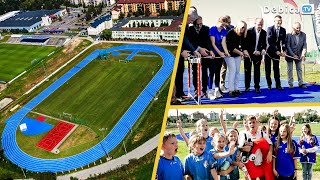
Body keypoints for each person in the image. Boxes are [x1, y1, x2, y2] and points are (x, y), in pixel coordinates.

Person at [175, 6, 199, 100]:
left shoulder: (186, 25)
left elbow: (186, 40)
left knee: (180, 71)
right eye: (191, 20)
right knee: (177, 73)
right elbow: (181, 39)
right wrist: (181, 51)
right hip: (177, 53)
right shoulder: (180, 24)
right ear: (187, 16)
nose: (192, 22)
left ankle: (180, 94)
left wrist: (193, 50)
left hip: (181, 53)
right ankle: (176, 96)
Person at [238, 115, 274, 180]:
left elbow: (270, 144)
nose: (252, 124)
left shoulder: (262, 134)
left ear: (256, 123)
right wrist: (246, 148)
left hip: (260, 162)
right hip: (250, 164)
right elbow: (240, 148)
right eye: (250, 123)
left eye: (254, 122)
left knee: (263, 178)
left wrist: (270, 152)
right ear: (247, 125)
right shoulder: (245, 135)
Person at [188, 16, 215, 98]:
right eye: (197, 24)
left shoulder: (206, 28)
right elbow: (190, 42)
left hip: (205, 53)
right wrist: (198, 49)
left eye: (201, 24)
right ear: (194, 23)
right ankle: (196, 90)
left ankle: (204, 90)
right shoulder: (190, 29)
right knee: (195, 72)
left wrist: (210, 50)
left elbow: (208, 41)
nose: (199, 26)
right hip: (195, 53)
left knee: (204, 72)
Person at [225, 21, 249, 97]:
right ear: (238, 26)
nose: (243, 30)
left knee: (237, 72)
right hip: (229, 55)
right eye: (242, 28)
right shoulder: (231, 33)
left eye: (244, 28)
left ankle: (236, 88)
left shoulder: (243, 35)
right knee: (233, 71)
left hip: (237, 55)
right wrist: (240, 53)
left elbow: (244, 45)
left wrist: (245, 52)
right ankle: (231, 90)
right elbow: (230, 47)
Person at [244, 18, 267, 93]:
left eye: (261, 24)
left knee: (257, 71)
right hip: (249, 54)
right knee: (247, 71)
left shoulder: (264, 33)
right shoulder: (249, 31)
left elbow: (264, 44)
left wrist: (263, 49)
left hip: (258, 55)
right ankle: (247, 86)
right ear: (255, 23)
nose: (260, 25)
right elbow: (247, 44)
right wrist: (253, 51)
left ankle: (257, 86)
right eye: (259, 24)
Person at [209, 16, 228, 99]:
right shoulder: (213, 29)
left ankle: (217, 89)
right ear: (218, 21)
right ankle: (209, 90)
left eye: (224, 24)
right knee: (212, 72)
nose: (222, 25)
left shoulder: (224, 31)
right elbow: (213, 43)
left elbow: (223, 43)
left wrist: (226, 52)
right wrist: (220, 53)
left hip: (220, 54)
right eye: (221, 23)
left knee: (218, 72)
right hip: (213, 53)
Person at [266, 15, 286, 90]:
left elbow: (283, 42)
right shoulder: (270, 29)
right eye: (277, 20)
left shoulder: (283, 30)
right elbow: (269, 41)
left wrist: (284, 50)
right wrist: (276, 50)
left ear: (281, 21)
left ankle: (278, 85)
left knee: (276, 69)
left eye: (280, 20)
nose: (278, 22)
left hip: (277, 53)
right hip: (269, 51)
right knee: (268, 69)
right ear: (274, 21)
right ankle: (269, 85)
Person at [285, 22, 307, 89]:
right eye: (297, 28)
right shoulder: (289, 35)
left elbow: (304, 45)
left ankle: (300, 83)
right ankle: (290, 84)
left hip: (299, 55)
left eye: (299, 27)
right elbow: (288, 46)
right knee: (290, 70)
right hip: (290, 55)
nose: (298, 29)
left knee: (299, 69)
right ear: (293, 28)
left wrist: (303, 54)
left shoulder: (303, 35)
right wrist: (293, 55)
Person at [220, 15, 234, 93]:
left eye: (230, 22)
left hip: (231, 52)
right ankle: (221, 85)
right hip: (222, 52)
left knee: (233, 69)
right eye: (228, 22)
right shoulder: (220, 28)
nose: (229, 24)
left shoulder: (232, 28)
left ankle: (232, 86)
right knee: (223, 69)